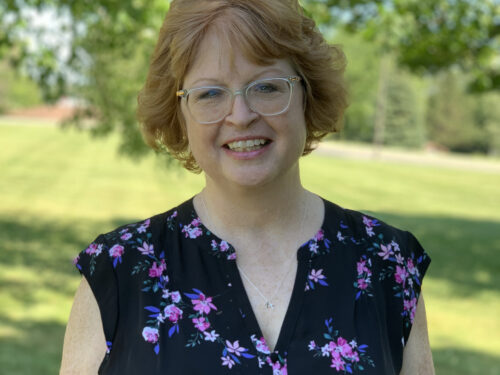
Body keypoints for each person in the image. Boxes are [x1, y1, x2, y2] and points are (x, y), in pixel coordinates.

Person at [60, 0, 434, 374]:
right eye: (209, 93)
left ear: (307, 94)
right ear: (180, 113)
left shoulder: (388, 263)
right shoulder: (118, 273)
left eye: (267, 87)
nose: (240, 116)